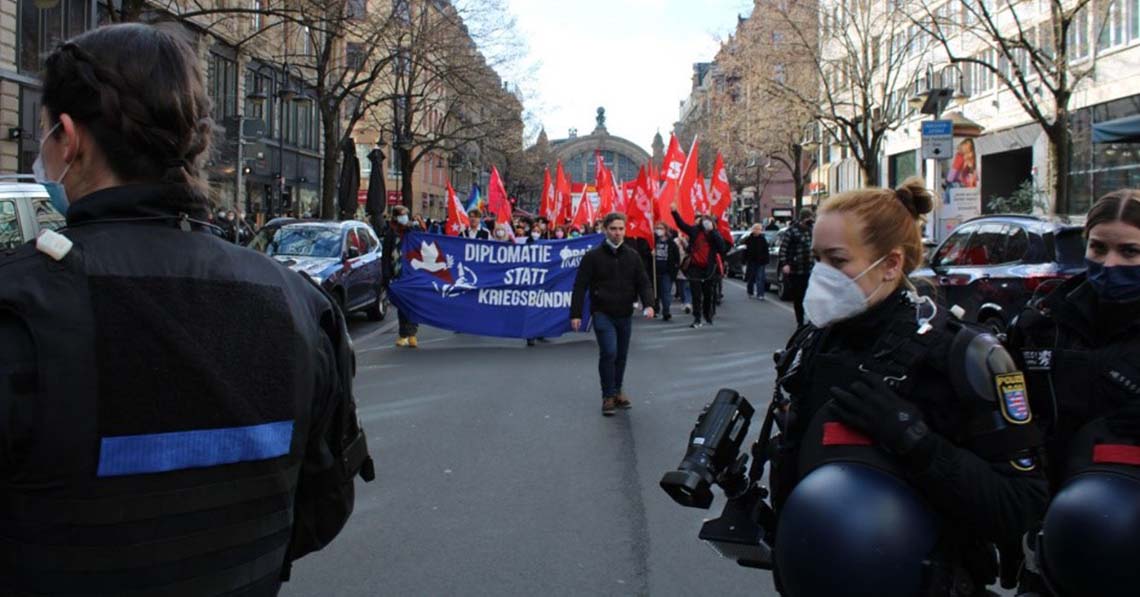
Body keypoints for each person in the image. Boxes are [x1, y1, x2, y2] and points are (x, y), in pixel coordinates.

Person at [0, 23, 373, 594]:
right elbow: (324, 503)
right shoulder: (300, 306)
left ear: (68, 138)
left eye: (44, 133)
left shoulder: (21, 304)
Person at [764, 177, 1046, 596]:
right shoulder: (812, 347)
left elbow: (1020, 503)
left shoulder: (963, 355)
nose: (821, 275)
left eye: (837, 261)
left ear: (891, 264)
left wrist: (913, 440)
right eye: (817, 258)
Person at [1006, 190, 1140, 597]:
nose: (1109, 263)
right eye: (1098, 248)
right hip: (1053, 534)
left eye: (1129, 251)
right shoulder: (1043, 321)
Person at [570, 213, 655, 416]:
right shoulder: (593, 257)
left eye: (620, 229)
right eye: (613, 229)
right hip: (602, 312)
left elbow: (643, 282)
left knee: (621, 355)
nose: (617, 233)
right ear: (605, 230)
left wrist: (649, 304)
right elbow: (580, 286)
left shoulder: (632, 256)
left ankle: (618, 390)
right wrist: (576, 313)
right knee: (609, 351)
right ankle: (607, 395)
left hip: (625, 312)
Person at [671, 205, 725, 328]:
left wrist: (714, 232)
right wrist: (674, 212)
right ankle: (697, 318)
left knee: (708, 294)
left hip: (709, 269)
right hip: (695, 267)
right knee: (696, 295)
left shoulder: (714, 234)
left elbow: (722, 248)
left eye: (708, 221)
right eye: (704, 221)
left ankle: (708, 316)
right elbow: (682, 225)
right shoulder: (695, 231)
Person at [384, 204, 421, 347]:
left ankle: (412, 333)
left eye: (406, 214)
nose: (404, 217)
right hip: (397, 272)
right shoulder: (391, 233)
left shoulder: (412, 231)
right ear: (395, 217)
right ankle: (403, 334)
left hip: (412, 272)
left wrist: (413, 227)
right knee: (402, 304)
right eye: (401, 215)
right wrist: (386, 274)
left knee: (412, 303)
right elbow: (386, 255)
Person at [779, 207, 815, 326]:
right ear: (803, 219)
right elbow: (783, 249)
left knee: (810, 295)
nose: (810, 220)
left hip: (810, 268)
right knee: (799, 297)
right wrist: (785, 264)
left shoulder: (812, 230)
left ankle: (811, 320)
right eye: (808, 218)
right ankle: (800, 321)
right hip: (796, 269)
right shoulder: (792, 231)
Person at [653, 223, 681, 321]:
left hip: (667, 272)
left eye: (660, 228)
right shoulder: (653, 241)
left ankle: (666, 311)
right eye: (657, 228)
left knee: (666, 292)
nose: (658, 230)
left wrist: (674, 270)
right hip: (655, 270)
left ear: (665, 230)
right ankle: (655, 309)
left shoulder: (671, 243)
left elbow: (677, 258)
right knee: (655, 292)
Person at [744, 223, 771, 300]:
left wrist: (766, 260)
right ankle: (750, 292)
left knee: (760, 277)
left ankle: (760, 294)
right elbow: (745, 250)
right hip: (751, 261)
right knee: (751, 277)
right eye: (756, 229)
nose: (757, 231)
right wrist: (744, 259)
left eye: (759, 229)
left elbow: (766, 251)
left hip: (761, 261)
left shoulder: (763, 239)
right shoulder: (748, 239)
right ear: (752, 230)